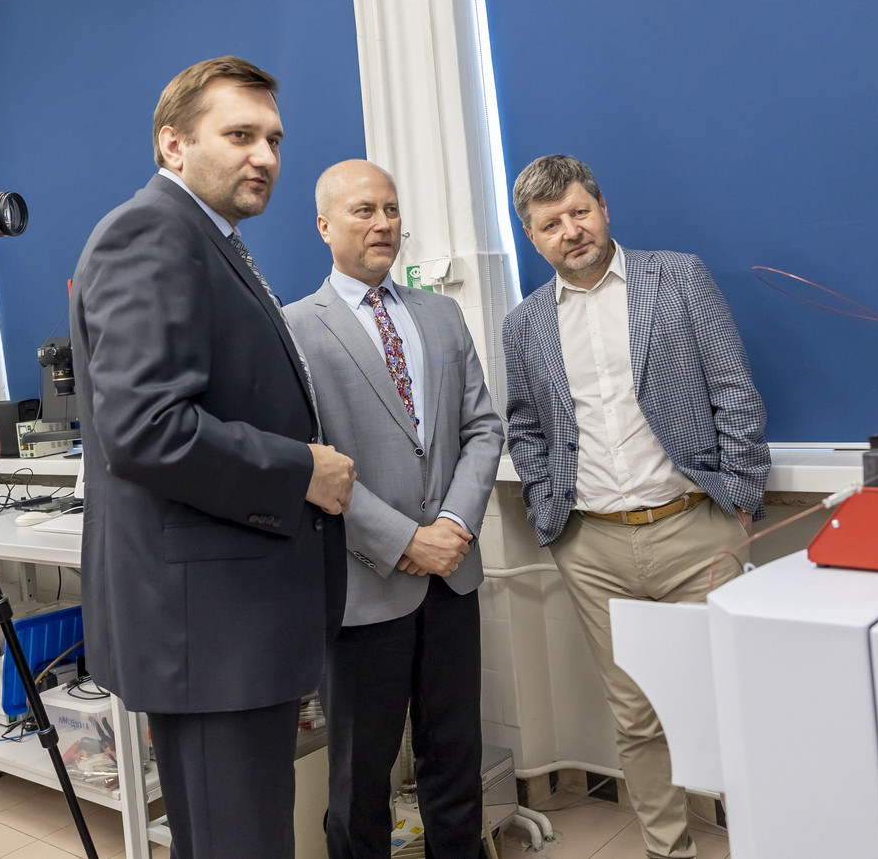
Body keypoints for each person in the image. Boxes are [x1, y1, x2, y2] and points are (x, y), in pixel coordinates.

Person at [70, 56, 356, 858]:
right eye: (239, 135)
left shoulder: (208, 238)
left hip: (229, 622)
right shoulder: (153, 233)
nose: (264, 156)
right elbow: (147, 428)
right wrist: (303, 470)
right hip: (211, 631)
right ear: (174, 144)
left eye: (274, 139)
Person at [501, 155, 770, 859]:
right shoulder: (524, 324)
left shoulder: (678, 278)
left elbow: (734, 389)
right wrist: (550, 513)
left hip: (695, 530)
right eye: (551, 224)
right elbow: (525, 426)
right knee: (638, 717)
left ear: (603, 207)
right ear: (532, 237)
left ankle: (768, 837)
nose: (570, 231)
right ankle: (667, 850)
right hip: (592, 546)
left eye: (579, 212)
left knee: (735, 699)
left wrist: (740, 499)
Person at [284, 161, 503, 859]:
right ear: (325, 226)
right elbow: (307, 464)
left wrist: (454, 527)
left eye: (391, 209)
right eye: (363, 211)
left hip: (452, 578)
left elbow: (483, 429)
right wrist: (406, 540)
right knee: (359, 780)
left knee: (455, 761)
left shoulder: (441, 315)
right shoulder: (294, 330)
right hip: (361, 587)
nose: (382, 224)